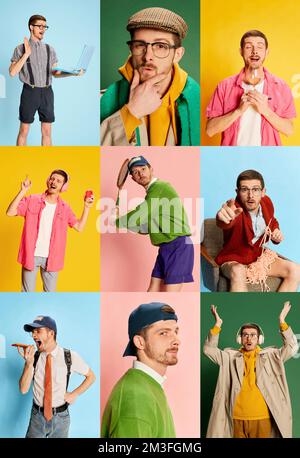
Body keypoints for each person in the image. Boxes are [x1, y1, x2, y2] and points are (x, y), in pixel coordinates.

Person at [101, 7, 200, 146]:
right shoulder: (101, 101)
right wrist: (131, 113)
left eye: (160, 46)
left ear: (178, 54)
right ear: (131, 49)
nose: (148, 56)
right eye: (140, 45)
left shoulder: (198, 100)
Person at [203, 302, 298, 438]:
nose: (249, 338)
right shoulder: (229, 357)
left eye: (253, 335)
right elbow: (208, 350)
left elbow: (291, 347)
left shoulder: (272, 355)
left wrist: (282, 321)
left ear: (259, 339)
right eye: (245, 335)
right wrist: (217, 324)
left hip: (262, 418)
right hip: (235, 419)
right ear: (240, 339)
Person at [6, 169, 94, 292]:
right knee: (27, 294)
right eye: (52, 179)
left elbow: (79, 227)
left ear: (63, 187)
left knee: (50, 293)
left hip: (53, 258)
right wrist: (23, 191)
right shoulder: (32, 199)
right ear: (48, 180)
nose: (54, 182)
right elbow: (10, 212)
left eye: (58, 181)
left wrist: (87, 207)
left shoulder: (65, 208)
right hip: (31, 255)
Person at [116, 155, 194, 292]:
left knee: (170, 294)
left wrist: (117, 221)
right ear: (133, 179)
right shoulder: (152, 196)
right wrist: (120, 219)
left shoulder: (160, 187)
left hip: (178, 245)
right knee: (152, 289)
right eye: (135, 172)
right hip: (165, 248)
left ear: (151, 169)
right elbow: (144, 227)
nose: (140, 173)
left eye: (143, 168)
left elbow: (141, 213)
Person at [101, 302, 179, 438]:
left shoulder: (148, 385)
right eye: (163, 333)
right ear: (140, 342)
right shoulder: (136, 398)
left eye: (176, 332)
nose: (176, 340)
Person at [206, 30, 296, 146]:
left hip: (268, 157)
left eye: (260, 47)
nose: (255, 51)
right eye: (249, 47)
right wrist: (238, 111)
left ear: (266, 52)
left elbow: (289, 130)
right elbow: (210, 130)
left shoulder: (281, 87)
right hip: (233, 157)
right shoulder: (224, 86)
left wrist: (265, 110)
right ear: (241, 51)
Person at [215, 169, 300, 292]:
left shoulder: (267, 202)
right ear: (237, 192)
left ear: (263, 192)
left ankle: (278, 310)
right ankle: (240, 311)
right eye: (244, 189)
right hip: (233, 259)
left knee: (295, 269)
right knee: (238, 270)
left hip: (257, 257)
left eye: (255, 189)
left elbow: (272, 221)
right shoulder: (234, 210)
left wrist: (276, 231)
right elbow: (224, 222)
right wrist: (222, 217)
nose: (251, 195)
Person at [9, 14, 84, 146]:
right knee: (24, 130)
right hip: (29, 92)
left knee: (47, 131)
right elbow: (12, 72)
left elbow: (55, 73)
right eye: (40, 26)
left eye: (45, 26)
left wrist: (73, 73)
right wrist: (26, 54)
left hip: (47, 92)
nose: (43, 29)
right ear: (31, 27)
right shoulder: (20, 49)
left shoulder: (50, 49)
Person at [18, 315, 96, 438]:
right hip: (37, 417)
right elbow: (23, 389)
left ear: (51, 333)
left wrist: (74, 393)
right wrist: (28, 363)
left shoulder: (69, 356)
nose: (33, 336)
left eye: (38, 331)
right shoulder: (34, 357)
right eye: (32, 332)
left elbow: (91, 376)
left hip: (61, 418)